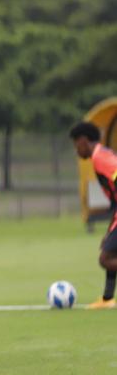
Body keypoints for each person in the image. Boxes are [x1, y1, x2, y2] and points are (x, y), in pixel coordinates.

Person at [69, 121, 117, 309]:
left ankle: (107, 299)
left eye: (75, 145)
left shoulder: (100, 158)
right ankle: (107, 299)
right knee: (111, 251)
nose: (76, 150)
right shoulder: (102, 155)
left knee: (105, 259)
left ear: (83, 141)